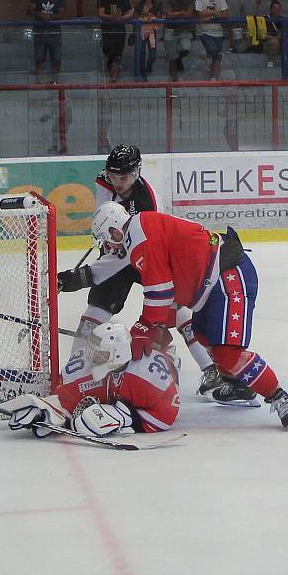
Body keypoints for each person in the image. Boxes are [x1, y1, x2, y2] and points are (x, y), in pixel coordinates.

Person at [80, 201, 288, 431]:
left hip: (227, 275)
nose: (108, 246)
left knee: (227, 353)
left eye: (107, 239)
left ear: (114, 230)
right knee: (203, 336)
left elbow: (160, 290)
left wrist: (147, 325)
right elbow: (155, 285)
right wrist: (151, 324)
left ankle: (281, 398)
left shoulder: (140, 237)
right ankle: (238, 384)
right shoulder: (139, 231)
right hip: (211, 285)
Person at [57, 145, 254, 405]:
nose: (118, 182)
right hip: (117, 249)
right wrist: (105, 244)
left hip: (147, 256)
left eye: (124, 177)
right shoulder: (106, 182)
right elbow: (106, 217)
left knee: (179, 311)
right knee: (97, 307)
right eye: (113, 175)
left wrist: (82, 276)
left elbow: (138, 252)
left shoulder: (148, 203)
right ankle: (74, 370)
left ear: (137, 173)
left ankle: (212, 371)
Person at [8, 322, 181, 438]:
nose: (93, 358)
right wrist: (50, 409)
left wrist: (129, 419)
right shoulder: (88, 367)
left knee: (169, 358)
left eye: (100, 354)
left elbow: (167, 414)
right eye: (93, 351)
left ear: (119, 353)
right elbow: (67, 396)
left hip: (168, 372)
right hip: (121, 384)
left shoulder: (145, 375)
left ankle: (171, 353)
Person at [27, 0, 67, 84]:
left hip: (55, 32)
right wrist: (40, 14)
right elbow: (29, 11)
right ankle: (38, 81)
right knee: (39, 58)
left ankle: (55, 81)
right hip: (39, 32)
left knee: (56, 58)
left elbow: (62, 15)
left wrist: (49, 16)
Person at [98, 0, 133, 82]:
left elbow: (130, 12)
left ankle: (114, 74)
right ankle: (111, 68)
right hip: (107, 31)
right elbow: (100, 13)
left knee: (117, 53)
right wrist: (112, 17)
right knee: (109, 51)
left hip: (119, 30)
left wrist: (122, 18)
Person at [195, 0, 229, 80]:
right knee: (213, 50)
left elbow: (224, 14)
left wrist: (209, 16)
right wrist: (214, 13)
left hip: (218, 31)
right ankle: (208, 55)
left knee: (217, 55)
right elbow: (200, 14)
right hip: (204, 31)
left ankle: (213, 78)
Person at [162, 0, 193, 81]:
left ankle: (178, 59)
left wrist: (175, 14)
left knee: (186, 48)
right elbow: (168, 15)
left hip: (184, 30)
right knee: (172, 57)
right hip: (170, 30)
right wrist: (181, 13)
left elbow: (189, 14)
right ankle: (174, 80)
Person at [134, 0, 162, 81]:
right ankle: (143, 72)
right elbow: (134, 17)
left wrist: (153, 19)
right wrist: (142, 18)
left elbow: (160, 18)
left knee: (153, 56)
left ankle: (149, 64)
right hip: (141, 32)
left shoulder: (156, 6)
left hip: (152, 32)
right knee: (141, 52)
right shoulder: (139, 6)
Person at [263, 0, 288, 68]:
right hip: (267, 42)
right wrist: (274, 38)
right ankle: (270, 61)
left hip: (280, 41)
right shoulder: (264, 19)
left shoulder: (282, 19)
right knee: (275, 42)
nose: (277, 10)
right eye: (275, 8)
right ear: (271, 9)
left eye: (278, 9)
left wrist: (280, 36)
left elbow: (286, 33)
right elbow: (262, 35)